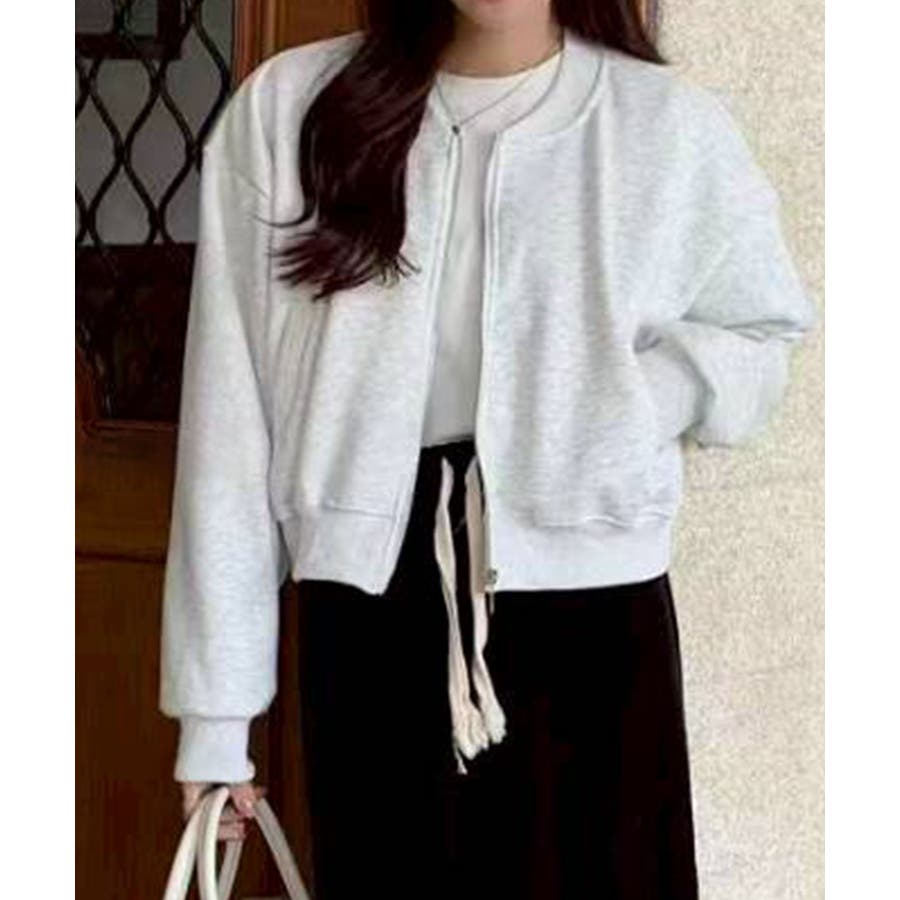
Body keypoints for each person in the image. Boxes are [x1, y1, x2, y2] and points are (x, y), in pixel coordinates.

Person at [159, 1, 817, 897]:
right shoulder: (291, 110)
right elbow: (230, 426)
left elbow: (762, 332)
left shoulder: (665, 126)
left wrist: (626, 407)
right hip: (372, 616)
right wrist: (215, 719)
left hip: (592, 617)